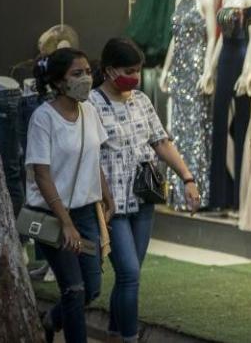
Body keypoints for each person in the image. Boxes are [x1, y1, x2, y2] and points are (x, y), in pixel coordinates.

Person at [90, 38, 200, 343]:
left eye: (138, 70)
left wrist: (188, 178)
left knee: (130, 275)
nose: (135, 76)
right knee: (129, 274)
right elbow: (87, 156)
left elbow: (161, 142)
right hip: (111, 204)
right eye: (129, 70)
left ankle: (113, 332)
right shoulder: (90, 104)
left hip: (144, 199)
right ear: (110, 71)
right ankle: (129, 336)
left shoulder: (141, 100)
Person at [25, 48, 113, 343]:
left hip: (87, 212)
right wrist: (65, 222)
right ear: (59, 81)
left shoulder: (90, 111)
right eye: (77, 74)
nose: (86, 78)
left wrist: (105, 191)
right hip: (52, 215)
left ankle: (51, 320)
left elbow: (93, 156)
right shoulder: (42, 118)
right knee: (74, 289)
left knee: (92, 287)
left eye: (88, 72)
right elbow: (42, 174)